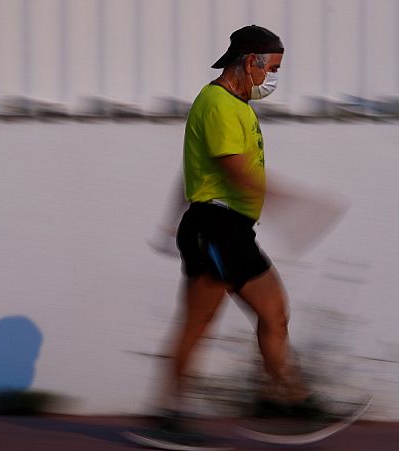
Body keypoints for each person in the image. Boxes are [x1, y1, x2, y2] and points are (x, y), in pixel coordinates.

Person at [127, 25, 364, 450]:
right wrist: (293, 201)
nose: (273, 77)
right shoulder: (217, 103)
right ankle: (171, 416)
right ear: (249, 60)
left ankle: (290, 404)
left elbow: (192, 166)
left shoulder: (236, 106)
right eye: (271, 68)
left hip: (229, 229)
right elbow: (233, 170)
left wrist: (170, 218)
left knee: (274, 313)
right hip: (214, 228)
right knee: (199, 324)